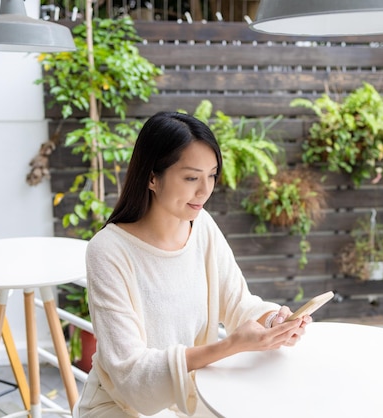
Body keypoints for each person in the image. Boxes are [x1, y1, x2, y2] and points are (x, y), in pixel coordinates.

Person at [74, 111, 311, 417]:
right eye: (191, 177)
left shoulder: (202, 226)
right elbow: (130, 375)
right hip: (122, 406)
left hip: (195, 395)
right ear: (152, 177)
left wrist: (272, 322)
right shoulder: (108, 251)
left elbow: (237, 302)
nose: (205, 190)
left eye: (212, 175)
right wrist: (229, 346)